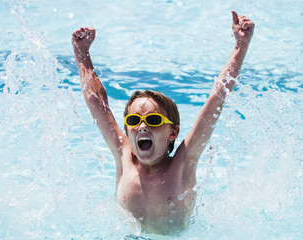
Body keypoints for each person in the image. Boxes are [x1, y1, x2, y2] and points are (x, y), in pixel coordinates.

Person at [72, 11, 254, 235]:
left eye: (154, 120)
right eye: (133, 120)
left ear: (173, 133)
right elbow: (95, 100)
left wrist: (240, 46)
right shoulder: (123, 157)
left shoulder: (182, 164)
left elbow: (217, 96)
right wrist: (81, 53)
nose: (142, 126)